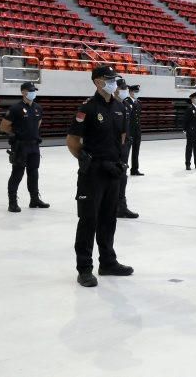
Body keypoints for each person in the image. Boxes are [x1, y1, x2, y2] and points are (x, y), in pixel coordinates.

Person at [66, 66, 133, 287]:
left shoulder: (120, 107)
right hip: (92, 173)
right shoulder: (87, 108)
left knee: (108, 219)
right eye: (108, 79)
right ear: (97, 82)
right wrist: (87, 162)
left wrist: (119, 162)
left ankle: (108, 262)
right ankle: (84, 268)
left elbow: (122, 137)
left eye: (114, 79)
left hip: (113, 171)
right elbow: (73, 141)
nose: (113, 83)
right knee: (88, 220)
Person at [1, 82, 49, 212]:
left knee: (33, 173)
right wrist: (17, 134)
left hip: (34, 145)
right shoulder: (15, 108)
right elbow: (4, 126)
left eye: (34, 90)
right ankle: (12, 202)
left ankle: (34, 199)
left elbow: (38, 123)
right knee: (17, 173)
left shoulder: (38, 108)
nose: (33, 92)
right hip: (20, 146)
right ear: (23, 92)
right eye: (30, 90)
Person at [114, 78, 139, 219]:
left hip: (125, 144)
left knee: (123, 176)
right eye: (122, 88)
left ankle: (121, 206)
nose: (124, 91)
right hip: (115, 146)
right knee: (115, 176)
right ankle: (114, 205)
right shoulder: (111, 105)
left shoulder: (125, 105)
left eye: (125, 88)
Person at [126, 84, 143, 176]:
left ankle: (135, 169)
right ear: (130, 92)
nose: (137, 93)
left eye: (138, 92)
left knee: (136, 151)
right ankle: (123, 169)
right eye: (135, 92)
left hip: (137, 131)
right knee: (126, 151)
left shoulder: (138, 102)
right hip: (129, 130)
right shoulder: (126, 102)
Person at [183, 92, 196, 170]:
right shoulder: (189, 108)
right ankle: (188, 164)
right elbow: (185, 120)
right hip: (191, 131)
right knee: (189, 148)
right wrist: (184, 129)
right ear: (192, 99)